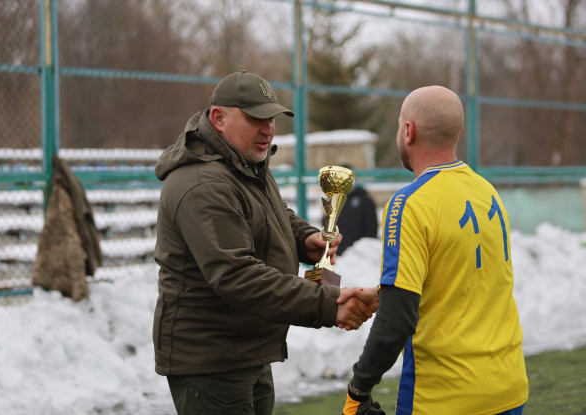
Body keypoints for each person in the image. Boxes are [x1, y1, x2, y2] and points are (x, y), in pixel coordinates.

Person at [152, 70, 378, 415]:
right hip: (213, 361)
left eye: (271, 118)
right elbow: (237, 275)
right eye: (256, 118)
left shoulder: (241, 162)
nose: (268, 129)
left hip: (247, 348)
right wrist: (329, 304)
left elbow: (272, 213)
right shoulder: (203, 182)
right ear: (219, 118)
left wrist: (304, 238)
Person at [341, 85, 529, 415]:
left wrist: (359, 387)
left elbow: (397, 320)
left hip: (445, 398)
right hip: (509, 388)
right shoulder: (487, 191)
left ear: (408, 131)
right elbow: (463, 280)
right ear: (458, 133)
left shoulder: (408, 203)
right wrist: (386, 293)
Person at [335, 167, 378, 255]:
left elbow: (371, 227)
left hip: (359, 253)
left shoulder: (364, 200)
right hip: (337, 251)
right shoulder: (333, 200)